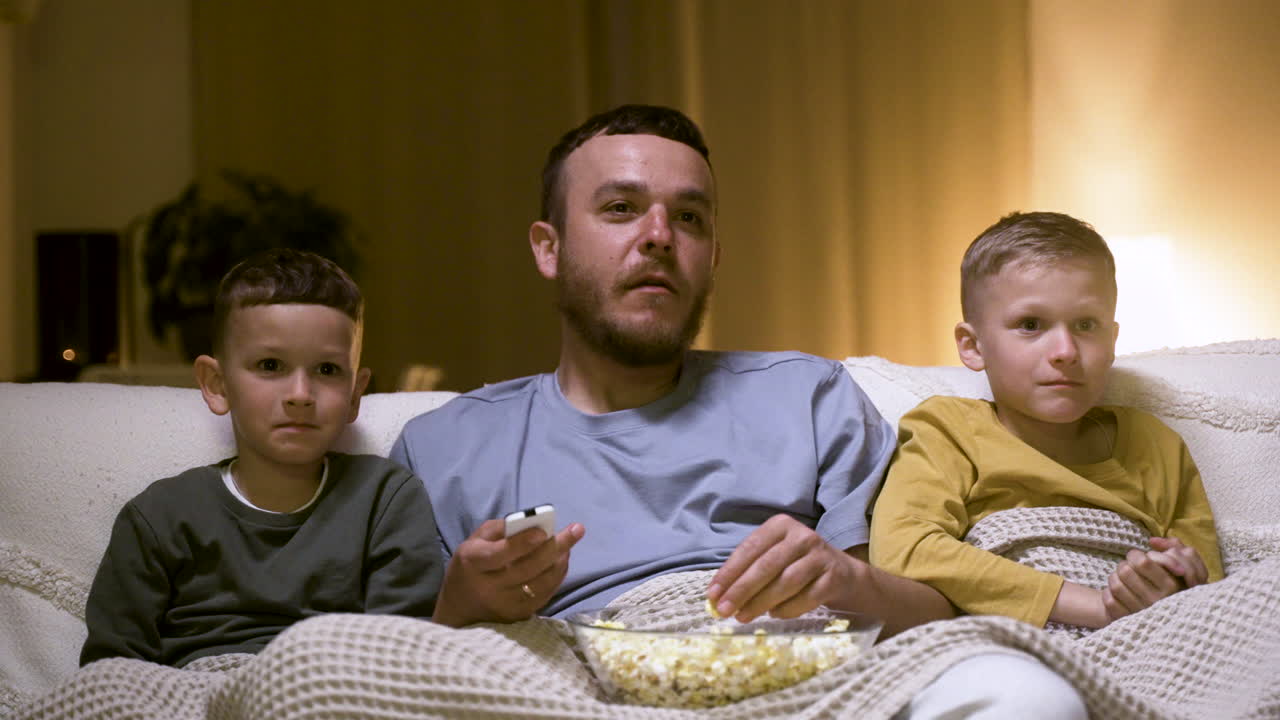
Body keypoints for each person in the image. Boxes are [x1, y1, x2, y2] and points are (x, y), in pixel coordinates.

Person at [392, 105, 1088, 717]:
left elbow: (934, 614)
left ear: (713, 256)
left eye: (688, 217)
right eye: (620, 209)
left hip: (813, 684)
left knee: (1027, 694)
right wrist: (464, 608)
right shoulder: (445, 445)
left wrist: (846, 580)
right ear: (549, 248)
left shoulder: (808, 397)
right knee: (315, 656)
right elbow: (405, 669)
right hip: (571, 691)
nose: (660, 235)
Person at [80, 249, 445, 668]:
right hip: (192, 690)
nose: (301, 395)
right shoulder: (159, 516)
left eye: (326, 370)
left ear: (355, 393)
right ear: (216, 384)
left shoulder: (386, 499)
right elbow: (110, 667)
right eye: (270, 365)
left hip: (332, 687)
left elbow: (400, 655)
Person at [869, 211, 1223, 631]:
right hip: (1012, 639)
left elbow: (1209, 585)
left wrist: (1178, 583)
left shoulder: (1155, 444)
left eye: (1086, 325)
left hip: (1143, 640)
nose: (1065, 350)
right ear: (973, 346)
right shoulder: (948, 431)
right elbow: (903, 549)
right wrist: (1094, 607)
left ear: (1112, 341)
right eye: (1030, 325)